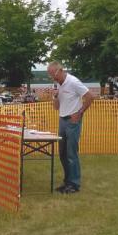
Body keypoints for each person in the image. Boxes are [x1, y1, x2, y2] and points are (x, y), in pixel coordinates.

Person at [47, 61, 94, 194]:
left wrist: (80, 113)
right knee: (62, 153)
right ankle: (67, 181)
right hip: (62, 119)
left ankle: (74, 184)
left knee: (71, 153)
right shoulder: (58, 85)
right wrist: (55, 96)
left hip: (72, 122)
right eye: (50, 75)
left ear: (60, 70)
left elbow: (90, 96)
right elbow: (56, 107)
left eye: (53, 74)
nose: (52, 77)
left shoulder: (73, 82)